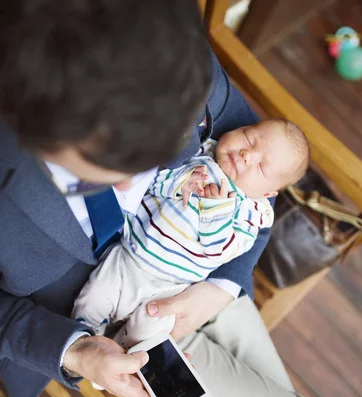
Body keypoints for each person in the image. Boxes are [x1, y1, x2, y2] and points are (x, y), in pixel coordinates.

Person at [0, 0, 362, 397]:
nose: (162, 173)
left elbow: (254, 175)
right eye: (117, 168)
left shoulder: (157, 40)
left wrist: (219, 288)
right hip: (105, 317)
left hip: (204, 270)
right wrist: (78, 352)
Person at [72, 119, 309, 346]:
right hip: (127, 257)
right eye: (249, 137)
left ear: (267, 193)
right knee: (93, 300)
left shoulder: (250, 213)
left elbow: (220, 250)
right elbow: (152, 182)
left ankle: (123, 350)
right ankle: (90, 340)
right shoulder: (201, 153)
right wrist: (181, 182)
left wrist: (215, 210)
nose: (248, 155)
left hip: (171, 288)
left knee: (150, 330)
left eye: (261, 167)